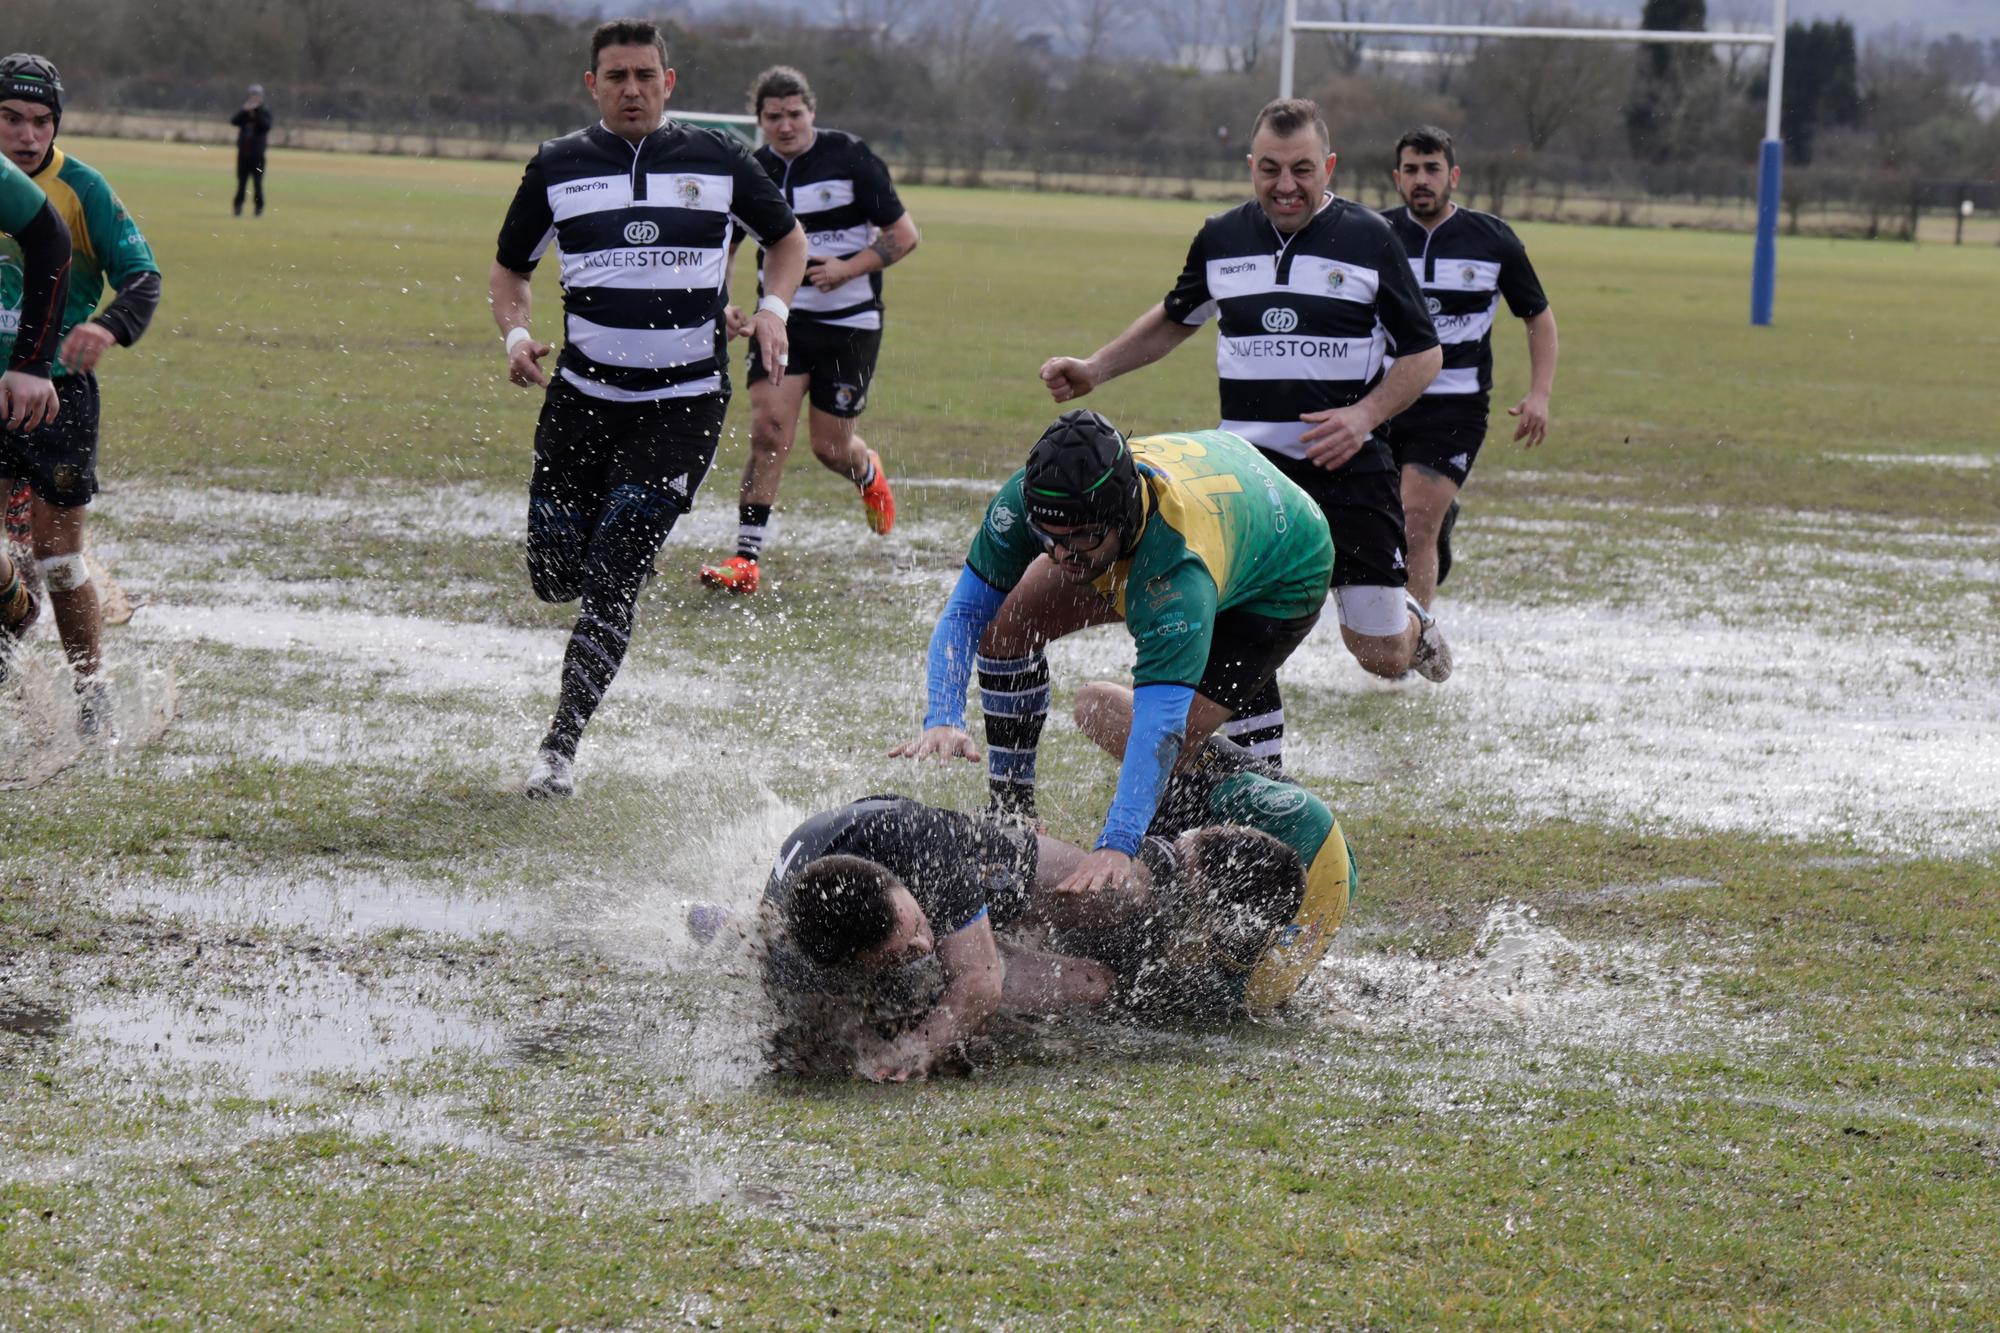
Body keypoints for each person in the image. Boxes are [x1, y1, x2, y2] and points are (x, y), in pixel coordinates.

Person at [1038, 97, 1446, 767]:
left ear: (1330, 166)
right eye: (1271, 169)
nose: (1286, 184)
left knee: (1378, 655)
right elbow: (1177, 316)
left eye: (1303, 169)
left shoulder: (1371, 240)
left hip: (1348, 471)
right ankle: (1264, 771)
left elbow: (1423, 355)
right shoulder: (1222, 237)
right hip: (1247, 477)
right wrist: (1095, 367)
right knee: (1237, 629)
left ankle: (1416, 623)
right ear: (1250, 166)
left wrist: (1362, 417)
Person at [489, 19, 807, 798]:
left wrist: (773, 308)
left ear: (670, 82)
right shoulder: (558, 166)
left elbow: (789, 240)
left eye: (644, 74)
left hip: (683, 405)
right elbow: (508, 271)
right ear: (591, 85)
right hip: (581, 400)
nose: (631, 88)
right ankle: (594, 567)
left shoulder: (719, 159)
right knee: (555, 571)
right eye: (615, 75)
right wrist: (518, 334)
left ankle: (558, 749)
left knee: (613, 575)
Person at [890, 409, 1333, 902]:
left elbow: (1159, 724)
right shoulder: (1037, 504)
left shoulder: (1175, 577)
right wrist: (944, 713)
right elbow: (966, 615)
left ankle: (1269, 799)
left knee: (1178, 740)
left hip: (1280, 571)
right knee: (1005, 630)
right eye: (1049, 540)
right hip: (1214, 502)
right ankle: (1011, 811)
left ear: (1120, 517)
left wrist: (1117, 843)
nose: (1061, 557)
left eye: (1078, 540)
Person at [698, 65, 918, 595]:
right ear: (760, 121)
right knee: (769, 430)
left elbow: (904, 236)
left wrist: (846, 267)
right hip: (782, 324)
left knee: (829, 448)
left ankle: (866, 472)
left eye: (795, 114)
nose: (785, 125)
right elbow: (724, 249)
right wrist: (722, 304)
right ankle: (746, 559)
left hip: (850, 325)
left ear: (811, 112)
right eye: (773, 117)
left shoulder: (850, 157)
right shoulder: (754, 170)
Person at [0, 55, 160, 735]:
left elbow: (143, 278)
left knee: (60, 561)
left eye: (41, 121)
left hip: (58, 395)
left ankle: (92, 695)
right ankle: (11, 628)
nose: (28, 135)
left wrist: (104, 324)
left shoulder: (83, 189)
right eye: (10, 118)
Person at [760, 794, 1113, 1082]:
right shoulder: (797, 953)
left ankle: (1160, 870)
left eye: (916, 928)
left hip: (945, 852)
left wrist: (917, 1046)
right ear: (854, 959)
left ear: (893, 880)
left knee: (1119, 893)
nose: (926, 946)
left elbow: (981, 981)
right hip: (873, 903)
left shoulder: (918, 845)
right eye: (896, 955)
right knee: (1093, 984)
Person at [1062, 681, 1358, 1018]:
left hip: (1288, 894)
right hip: (1306, 833)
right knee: (1094, 704)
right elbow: (1166, 799)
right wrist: (1115, 848)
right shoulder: (1290, 814)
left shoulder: (1249, 985)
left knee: (1128, 915)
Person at [1382, 125, 1557, 608]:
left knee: (1415, 522)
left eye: (1432, 169)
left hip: (1455, 408)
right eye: (1412, 170)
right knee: (1379, 526)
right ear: (1397, 177)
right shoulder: (1374, 235)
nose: (1422, 179)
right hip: (1381, 403)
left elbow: (1537, 316)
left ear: (1453, 175)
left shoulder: (1492, 239)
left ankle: (1411, 644)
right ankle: (1439, 528)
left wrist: (1539, 393)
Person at [229, 84, 272, 217]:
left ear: (261, 97)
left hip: (257, 155)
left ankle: (258, 209)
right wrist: (245, 111)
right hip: (243, 154)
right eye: (252, 94)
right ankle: (238, 207)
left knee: (257, 183)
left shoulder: (264, 112)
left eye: (256, 95)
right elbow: (233, 121)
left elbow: (266, 126)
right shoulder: (245, 112)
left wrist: (255, 113)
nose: (254, 97)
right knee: (241, 182)